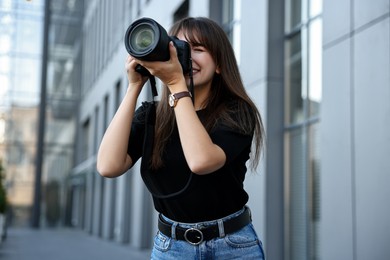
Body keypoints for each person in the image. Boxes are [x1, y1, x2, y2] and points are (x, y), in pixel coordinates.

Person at [97, 17, 265, 259]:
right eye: (178, 48)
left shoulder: (237, 112)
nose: (186, 57)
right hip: (171, 248)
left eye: (198, 49)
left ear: (219, 64)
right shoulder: (152, 116)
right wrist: (134, 86)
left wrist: (176, 83)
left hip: (233, 247)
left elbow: (201, 161)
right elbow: (108, 166)